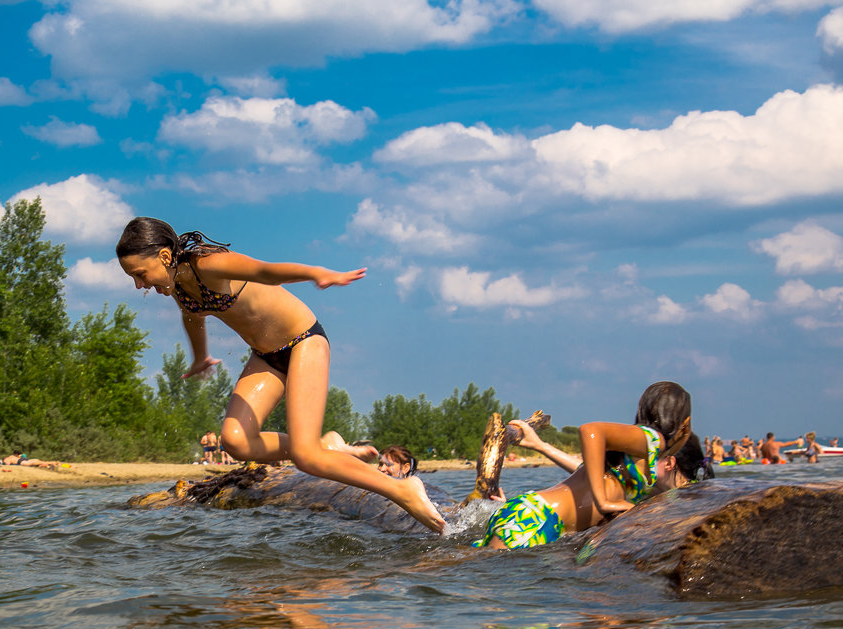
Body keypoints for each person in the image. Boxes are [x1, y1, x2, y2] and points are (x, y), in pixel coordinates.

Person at [116, 217, 444, 532]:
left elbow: (265, 271)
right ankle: (328, 447)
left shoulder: (208, 265)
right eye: (133, 278)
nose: (139, 284)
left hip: (304, 341)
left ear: (163, 256)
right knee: (235, 441)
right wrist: (200, 358)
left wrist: (317, 273)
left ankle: (403, 490)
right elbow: (193, 318)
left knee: (305, 458)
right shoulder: (180, 288)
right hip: (267, 356)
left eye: (140, 274)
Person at [473, 381, 700, 550]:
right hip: (539, 519)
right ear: (684, 422)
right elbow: (590, 430)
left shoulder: (635, 454)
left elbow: (589, 471)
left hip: (531, 512)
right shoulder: (653, 440)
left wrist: (541, 446)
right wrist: (603, 501)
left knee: (463, 565)